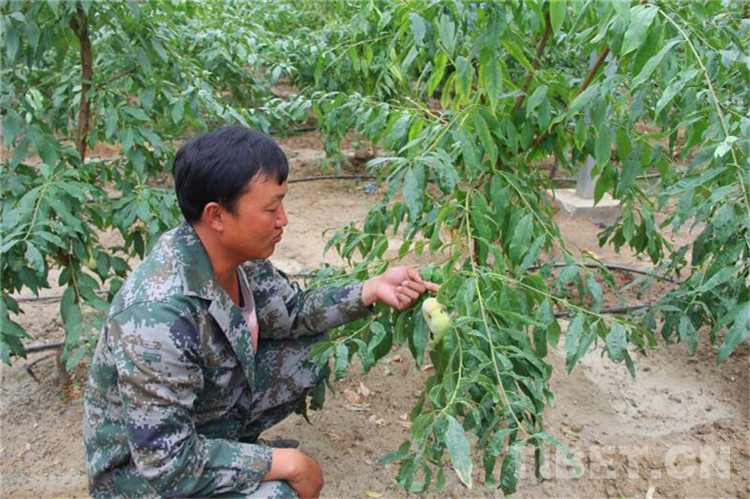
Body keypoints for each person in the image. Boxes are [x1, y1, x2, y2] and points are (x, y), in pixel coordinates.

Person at [83, 126, 438, 498]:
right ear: (216, 216)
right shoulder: (158, 316)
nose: (283, 219)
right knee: (278, 494)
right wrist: (283, 464)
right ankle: (234, 461)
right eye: (270, 209)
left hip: (190, 432)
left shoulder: (237, 257)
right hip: (143, 477)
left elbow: (293, 312)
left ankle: (229, 447)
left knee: (311, 349)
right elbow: (166, 463)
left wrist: (372, 289)